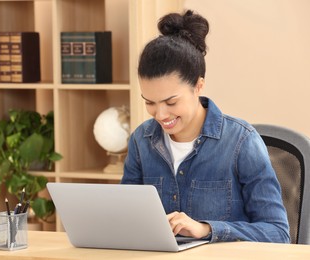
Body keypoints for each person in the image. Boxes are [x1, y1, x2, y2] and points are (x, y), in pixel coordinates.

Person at [121, 10, 290, 243]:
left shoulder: (242, 142)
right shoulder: (142, 140)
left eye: (171, 102)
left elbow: (278, 233)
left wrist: (206, 229)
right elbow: (125, 218)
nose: (160, 114)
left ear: (198, 86)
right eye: (149, 102)